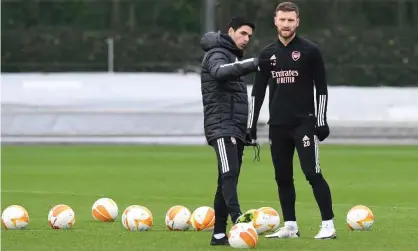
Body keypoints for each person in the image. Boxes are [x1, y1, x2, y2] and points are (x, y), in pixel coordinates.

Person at [248, 2, 336, 239]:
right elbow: (257, 92)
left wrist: (321, 120)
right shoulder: (266, 54)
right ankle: (290, 227)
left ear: (297, 22)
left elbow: (322, 89)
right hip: (277, 126)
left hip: (303, 124)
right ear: (275, 21)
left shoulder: (310, 51)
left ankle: (328, 225)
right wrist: (251, 125)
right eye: (282, 20)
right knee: (283, 177)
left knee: (312, 173)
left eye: (290, 20)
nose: (286, 24)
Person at [200, 17, 271, 245]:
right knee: (229, 173)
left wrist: (246, 129)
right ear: (230, 31)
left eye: (249, 36)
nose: (246, 39)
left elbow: (237, 100)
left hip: (234, 128)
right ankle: (238, 220)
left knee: (226, 180)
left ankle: (219, 234)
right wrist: (254, 63)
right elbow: (220, 73)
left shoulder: (233, 58)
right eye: (242, 33)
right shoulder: (216, 53)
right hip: (220, 127)